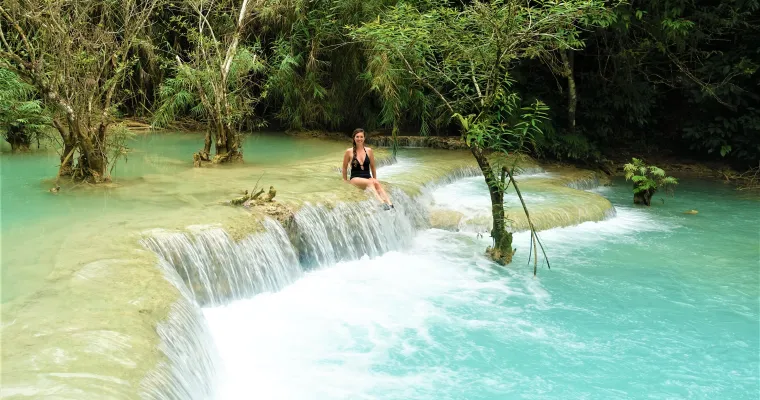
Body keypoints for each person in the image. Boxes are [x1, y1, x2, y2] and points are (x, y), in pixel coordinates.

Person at [342, 128, 394, 209]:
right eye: (357, 137)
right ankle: (381, 203)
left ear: (364, 138)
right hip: (355, 178)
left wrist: (374, 179)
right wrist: (345, 180)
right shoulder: (349, 151)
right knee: (370, 183)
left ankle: (390, 203)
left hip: (367, 177)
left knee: (376, 182)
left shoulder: (369, 151)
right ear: (354, 138)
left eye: (361, 137)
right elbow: (344, 167)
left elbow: (373, 167)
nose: (359, 139)